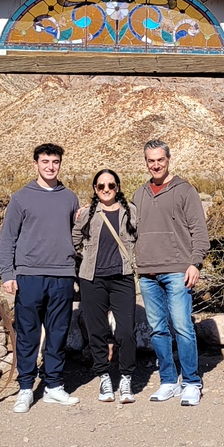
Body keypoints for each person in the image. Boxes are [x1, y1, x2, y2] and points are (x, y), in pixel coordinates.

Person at [0, 143, 81, 413]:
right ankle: (25, 388)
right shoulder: (21, 198)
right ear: (35, 164)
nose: (50, 166)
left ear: (60, 164)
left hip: (63, 275)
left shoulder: (70, 198)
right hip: (29, 274)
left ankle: (54, 386)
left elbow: (76, 236)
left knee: (58, 333)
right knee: (28, 334)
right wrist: (7, 273)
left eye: (55, 162)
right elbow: (8, 238)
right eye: (45, 161)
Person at [132, 139, 209, 406]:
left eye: (160, 160)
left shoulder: (184, 190)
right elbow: (128, 229)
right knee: (157, 330)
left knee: (183, 327)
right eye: (151, 160)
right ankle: (168, 380)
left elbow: (200, 230)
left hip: (178, 270)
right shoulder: (139, 194)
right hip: (147, 272)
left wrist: (194, 263)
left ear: (168, 160)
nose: (156, 165)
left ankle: (191, 382)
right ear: (146, 162)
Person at [71, 168, 138, 404]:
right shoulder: (87, 214)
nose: (106, 190)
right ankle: (104, 377)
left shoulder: (131, 212)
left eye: (111, 185)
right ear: (95, 189)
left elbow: (140, 238)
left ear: (117, 187)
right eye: (101, 186)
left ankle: (127, 377)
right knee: (96, 331)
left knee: (126, 331)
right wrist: (87, 257)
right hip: (92, 280)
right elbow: (75, 239)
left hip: (122, 278)